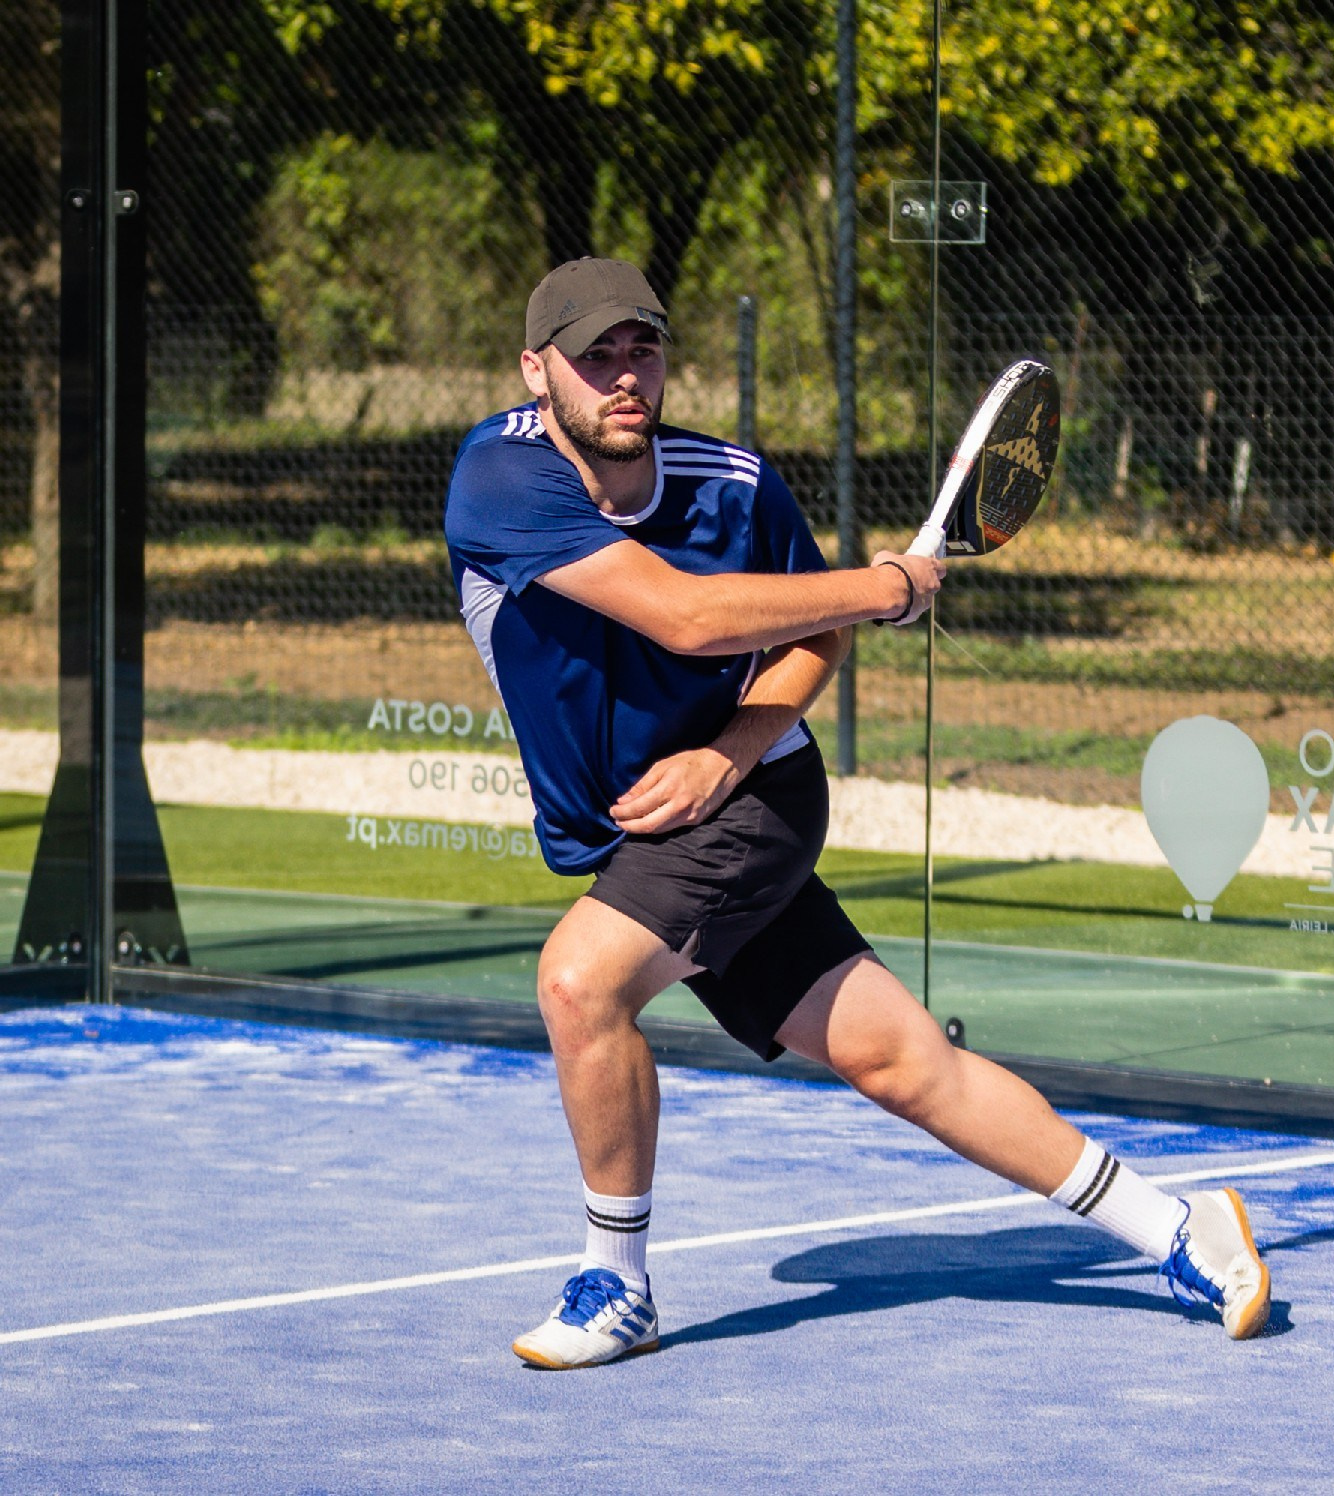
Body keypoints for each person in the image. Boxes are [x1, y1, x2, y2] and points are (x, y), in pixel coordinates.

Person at [444, 258, 1271, 1368]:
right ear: (537, 369)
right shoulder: (500, 477)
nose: (624, 375)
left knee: (577, 980)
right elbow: (688, 616)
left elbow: (806, 636)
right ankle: (1182, 1227)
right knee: (904, 1063)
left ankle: (617, 1280)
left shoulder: (735, 484)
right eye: (595, 356)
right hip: (652, 822)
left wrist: (730, 755)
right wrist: (888, 585)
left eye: (641, 347)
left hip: (755, 802)